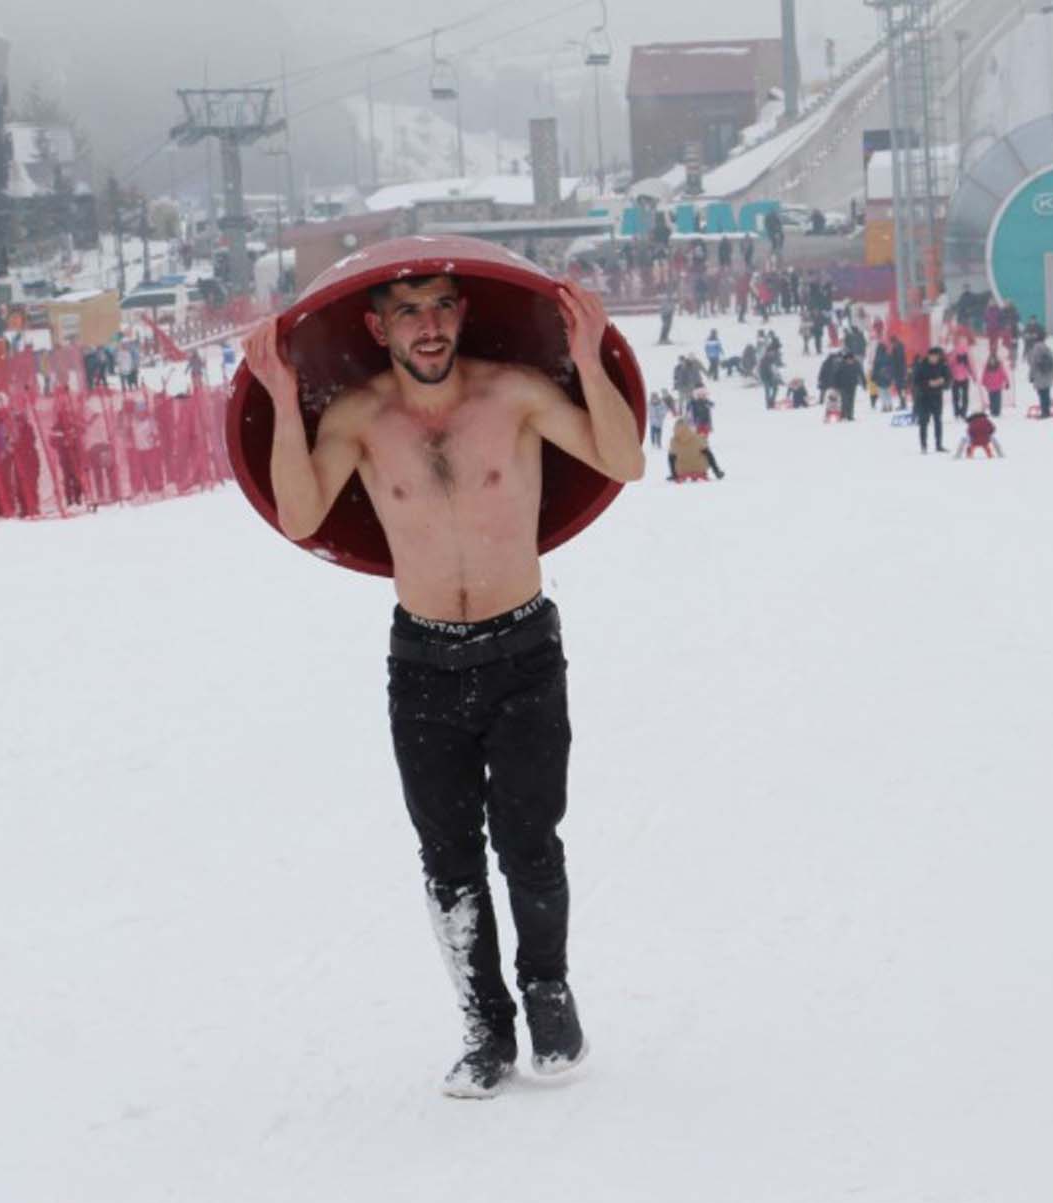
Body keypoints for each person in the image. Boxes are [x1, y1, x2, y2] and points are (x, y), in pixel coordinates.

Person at [240, 274, 643, 1098]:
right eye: (407, 313)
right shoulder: (359, 418)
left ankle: (548, 993)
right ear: (377, 326)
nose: (427, 327)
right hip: (423, 661)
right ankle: (485, 1026)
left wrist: (585, 358)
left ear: (461, 315)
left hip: (523, 648)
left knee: (530, 843)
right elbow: (300, 514)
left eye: (440, 308)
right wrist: (282, 395)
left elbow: (626, 459)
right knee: (448, 860)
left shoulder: (516, 395)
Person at [911, 345, 951, 453]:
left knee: (938, 421)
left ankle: (939, 445)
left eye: (936, 357)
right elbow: (915, 381)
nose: (933, 359)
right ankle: (923, 445)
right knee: (923, 422)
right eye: (931, 356)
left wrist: (942, 382)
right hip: (923, 397)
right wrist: (928, 383)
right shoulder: (921, 366)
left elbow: (949, 380)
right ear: (928, 356)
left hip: (937, 397)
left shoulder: (943, 365)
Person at [667, 416, 725, 480]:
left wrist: (675, 474)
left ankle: (673, 475)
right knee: (706, 451)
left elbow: (671, 459)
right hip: (699, 468)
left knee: (671, 455)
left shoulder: (673, 441)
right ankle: (717, 472)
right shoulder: (697, 438)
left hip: (682, 470)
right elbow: (708, 454)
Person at [830, 347, 864, 421]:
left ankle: (850, 415)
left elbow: (860, 373)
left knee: (851, 401)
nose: (850, 361)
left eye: (851, 359)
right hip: (842, 386)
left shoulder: (856, 364)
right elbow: (836, 375)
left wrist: (864, 382)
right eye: (848, 359)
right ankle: (843, 415)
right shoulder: (841, 365)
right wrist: (834, 386)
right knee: (845, 400)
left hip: (852, 385)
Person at [1027, 340, 1053, 419]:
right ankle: (1047, 411)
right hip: (1048, 377)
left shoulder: (1034, 352)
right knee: (1047, 394)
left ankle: (1044, 412)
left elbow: (1033, 366)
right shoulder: (1049, 350)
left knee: (1042, 395)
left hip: (1039, 377)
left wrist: (1031, 377)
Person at [980, 350, 1010, 418]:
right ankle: (993, 411)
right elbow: (984, 375)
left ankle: (997, 411)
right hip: (990, 386)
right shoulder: (987, 367)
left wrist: (1007, 382)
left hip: (998, 386)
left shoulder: (999, 366)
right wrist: (983, 382)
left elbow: (1004, 374)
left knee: (998, 399)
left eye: (993, 360)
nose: (992, 361)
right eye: (991, 360)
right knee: (992, 399)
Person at [949, 340, 974, 417]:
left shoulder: (954, 353)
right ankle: (962, 412)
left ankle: (958, 412)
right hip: (961, 378)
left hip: (957, 378)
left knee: (957, 396)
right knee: (964, 397)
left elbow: (950, 364)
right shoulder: (965, 355)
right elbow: (971, 366)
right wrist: (973, 376)